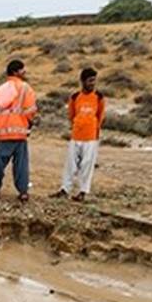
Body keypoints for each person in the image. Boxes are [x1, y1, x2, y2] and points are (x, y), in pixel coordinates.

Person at [0, 59, 37, 202]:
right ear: (16, 71)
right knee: (21, 164)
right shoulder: (25, 88)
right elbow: (31, 110)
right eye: (22, 69)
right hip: (19, 132)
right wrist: (30, 122)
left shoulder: (0, 89)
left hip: (3, 133)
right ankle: (23, 192)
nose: (25, 72)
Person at [55, 67, 105, 202]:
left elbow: (100, 116)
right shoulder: (75, 97)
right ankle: (65, 189)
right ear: (83, 81)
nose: (92, 84)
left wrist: (95, 131)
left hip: (91, 137)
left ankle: (83, 191)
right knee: (70, 164)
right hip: (76, 135)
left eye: (94, 81)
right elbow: (71, 115)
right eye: (90, 81)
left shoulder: (99, 97)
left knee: (87, 165)